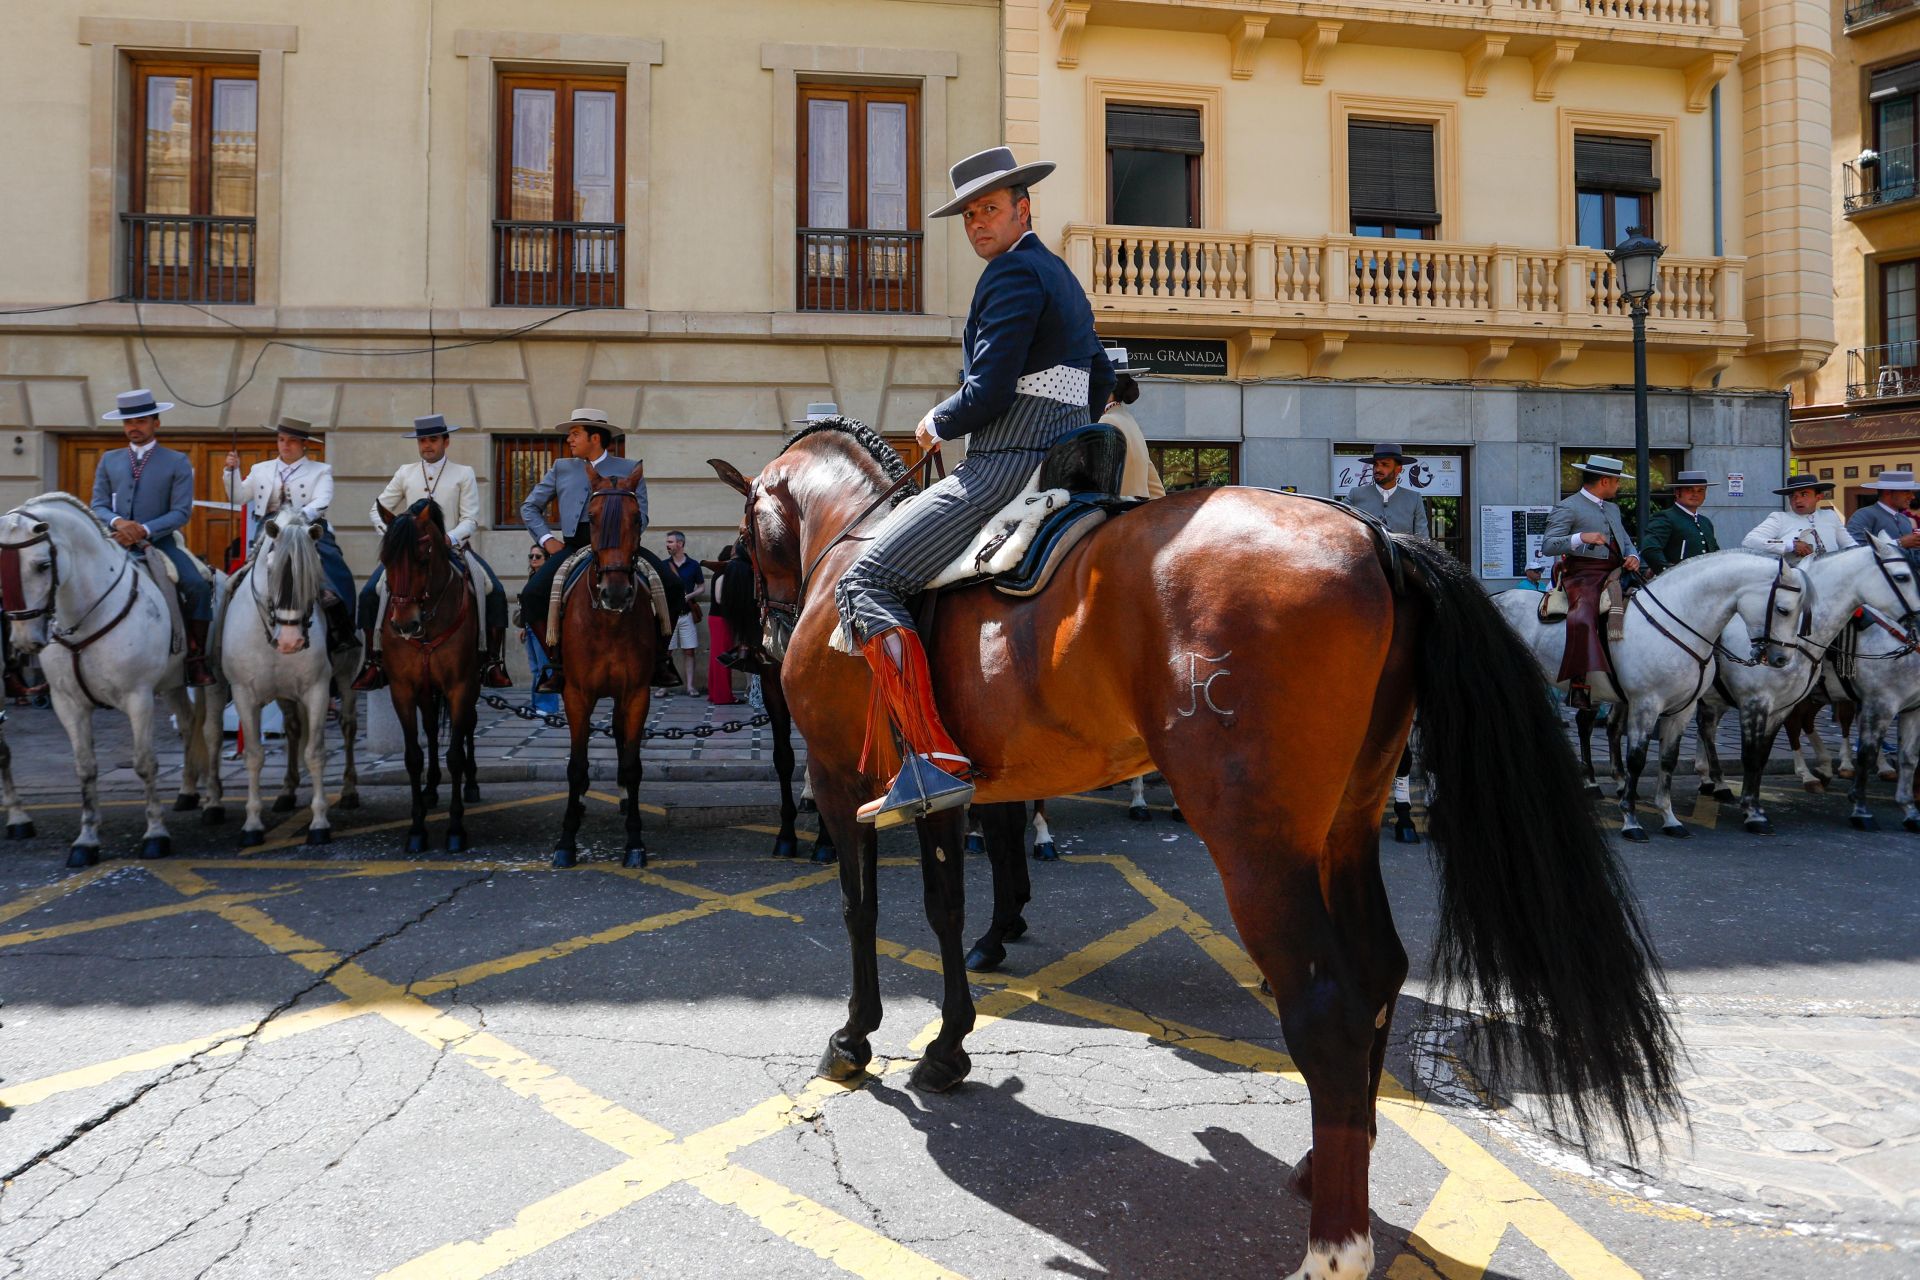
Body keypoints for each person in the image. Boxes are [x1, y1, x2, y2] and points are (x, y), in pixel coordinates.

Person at [518, 408, 682, 694]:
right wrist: (547, 540)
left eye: (575, 434)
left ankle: (659, 659)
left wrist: (623, 538)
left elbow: (642, 516)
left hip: (622, 548)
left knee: (674, 587)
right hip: (574, 545)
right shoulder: (561, 467)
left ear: (595, 437)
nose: (569, 439)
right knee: (532, 595)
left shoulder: (629, 468)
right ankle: (556, 664)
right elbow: (530, 507)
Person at [352, 413, 512, 690]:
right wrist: (396, 539)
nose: (427, 445)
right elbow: (376, 509)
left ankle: (492, 662)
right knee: (368, 594)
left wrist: (449, 539)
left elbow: (470, 519)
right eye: (422, 440)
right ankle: (373, 661)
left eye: (433, 440)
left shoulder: (463, 473)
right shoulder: (405, 472)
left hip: (453, 550)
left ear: (445, 442)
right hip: (412, 554)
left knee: (494, 591)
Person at [90, 388, 216, 685]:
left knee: (198, 585)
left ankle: (195, 658)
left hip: (160, 543)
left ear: (155, 423)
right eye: (128, 422)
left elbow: (181, 512)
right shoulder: (109, 460)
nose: (134, 427)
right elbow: (98, 505)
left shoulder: (177, 461)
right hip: (114, 541)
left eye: (141, 421)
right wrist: (119, 523)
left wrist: (143, 530)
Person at [222, 415, 357, 654]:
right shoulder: (260, 469)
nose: (285, 445)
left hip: (308, 528)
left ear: (304, 444)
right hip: (270, 529)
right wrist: (231, 472)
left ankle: (340, 626)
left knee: (335, 568)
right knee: (239, 576)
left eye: (292, 441)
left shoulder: (320, 470)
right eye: (281, 439)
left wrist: (296, 519)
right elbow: (238, 497)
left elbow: (322, 500)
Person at [1540, 454, 1642, 709]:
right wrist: (1580, 537)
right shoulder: (1568, 507)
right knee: (1583, 618)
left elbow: (1626, 540)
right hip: (1583, 574)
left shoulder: (1613, 508)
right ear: (1605, 481)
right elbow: (1548, 545)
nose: (1619, 486)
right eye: (1617, 481)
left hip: (1617, 572)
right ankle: (1579, 684)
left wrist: (1633, 556)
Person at [1097, 345, 1164, 499]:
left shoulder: (1107, 421)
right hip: (1136, 507)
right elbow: (1155, 486)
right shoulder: (1128, 419)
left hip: (1117, 508)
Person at [1744, 475, 1857, 562]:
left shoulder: (1829, 516)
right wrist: (1790, 545)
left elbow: (1850, 545)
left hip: (1831, 574)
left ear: (1818, 497)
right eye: (1793, 496)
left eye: (1804, 494)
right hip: (1796, 579)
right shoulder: (1779, 519)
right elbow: (1750, 541)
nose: (1797, 500)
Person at [1343, 443, 1431, 538]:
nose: (1378, 469)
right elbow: (1337, 519)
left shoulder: (1414, 499)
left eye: (1385, 464)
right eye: (1375, 464)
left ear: (1398, 469)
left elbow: (1422, 539)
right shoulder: (1356, 494)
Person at [1640, 469, 1720, 572]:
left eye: (1700, 490)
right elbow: (1650, 550)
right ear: (1677, 493)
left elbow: (1715, 553)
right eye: (1690, 490)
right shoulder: (1665, 517)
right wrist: (1669, 573)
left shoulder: (1705, 522)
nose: (1695, 494)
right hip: (1678, 580)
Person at [1846, 470, 1920, 567]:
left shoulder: (1904, 519)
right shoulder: (1863, 515)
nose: (1912, 496)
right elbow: (1854, 551)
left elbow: (1913, 558)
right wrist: (1899, 543)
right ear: (1887, 492)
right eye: (1906, 491)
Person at [660, 531, 704, 696]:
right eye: (667, 542)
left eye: (670, 542)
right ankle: (664, 686)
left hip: (687, 615)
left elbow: (701, 587)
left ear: (680, 544)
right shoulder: (663, 565)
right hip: (669, 616)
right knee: (666, 652)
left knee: (689, 651)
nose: (667, 545)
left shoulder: (693, 565)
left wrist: (689, 596)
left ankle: (690, 686)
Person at [701, 544, 738, 706]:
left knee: (716, 657)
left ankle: (715, 693)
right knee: (722, 657)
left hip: (716, 619)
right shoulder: (723, 574)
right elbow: (719, 598)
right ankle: (723, 696)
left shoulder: (720, 573)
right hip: (720, 619)